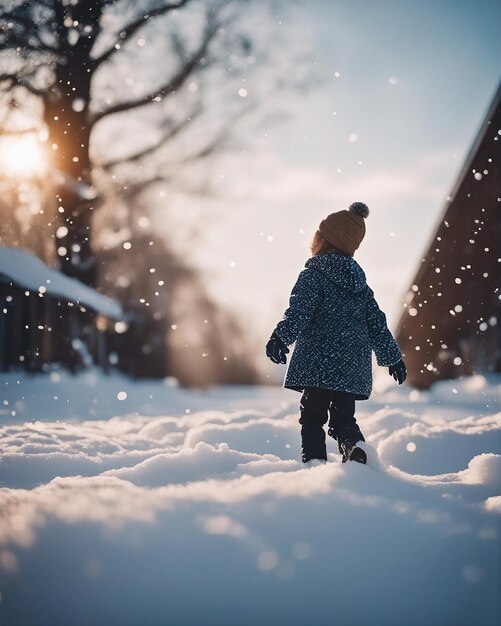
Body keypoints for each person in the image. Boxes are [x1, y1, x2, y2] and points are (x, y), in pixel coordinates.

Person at [266, 202, 407, 464]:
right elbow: (377, 322)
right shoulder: (361, 285)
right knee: (343, 419)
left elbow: (299, 311)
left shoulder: (313, 275)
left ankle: (315, 465)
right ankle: (353, 446)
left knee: (312, 418)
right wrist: (393, 357)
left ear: (322, 239)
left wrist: (280, 337)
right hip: (351, 366)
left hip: (318, 362)